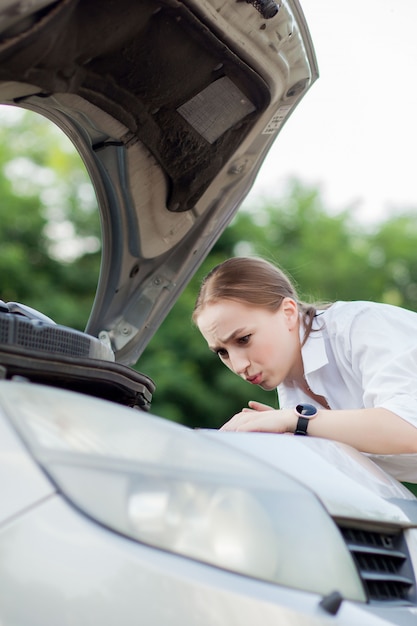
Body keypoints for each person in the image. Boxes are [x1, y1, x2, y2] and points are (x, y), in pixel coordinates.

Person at [192, 256, 417, 479]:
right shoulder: (291, 391)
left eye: (244, 339)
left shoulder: (362, 327)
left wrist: (297, 420)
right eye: (222, 352)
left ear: (288, 313)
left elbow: (409, 428)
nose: (239, 365)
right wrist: (297, 444)